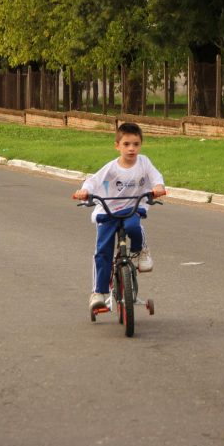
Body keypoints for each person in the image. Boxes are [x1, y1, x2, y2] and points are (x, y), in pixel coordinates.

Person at [72, 122, 166, 312]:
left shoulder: (144, 162)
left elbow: (156, 176)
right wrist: (84, 191)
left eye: (136, 144)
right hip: (109, 210)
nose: (131, 148)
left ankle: (140, 252)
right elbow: (93, 181)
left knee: (133, 227)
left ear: (141, 145)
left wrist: (158, 187)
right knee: (102, 251)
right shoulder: (111, 168)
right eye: (126, 144)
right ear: (117, 146)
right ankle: (98, 292)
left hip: (132, 206)